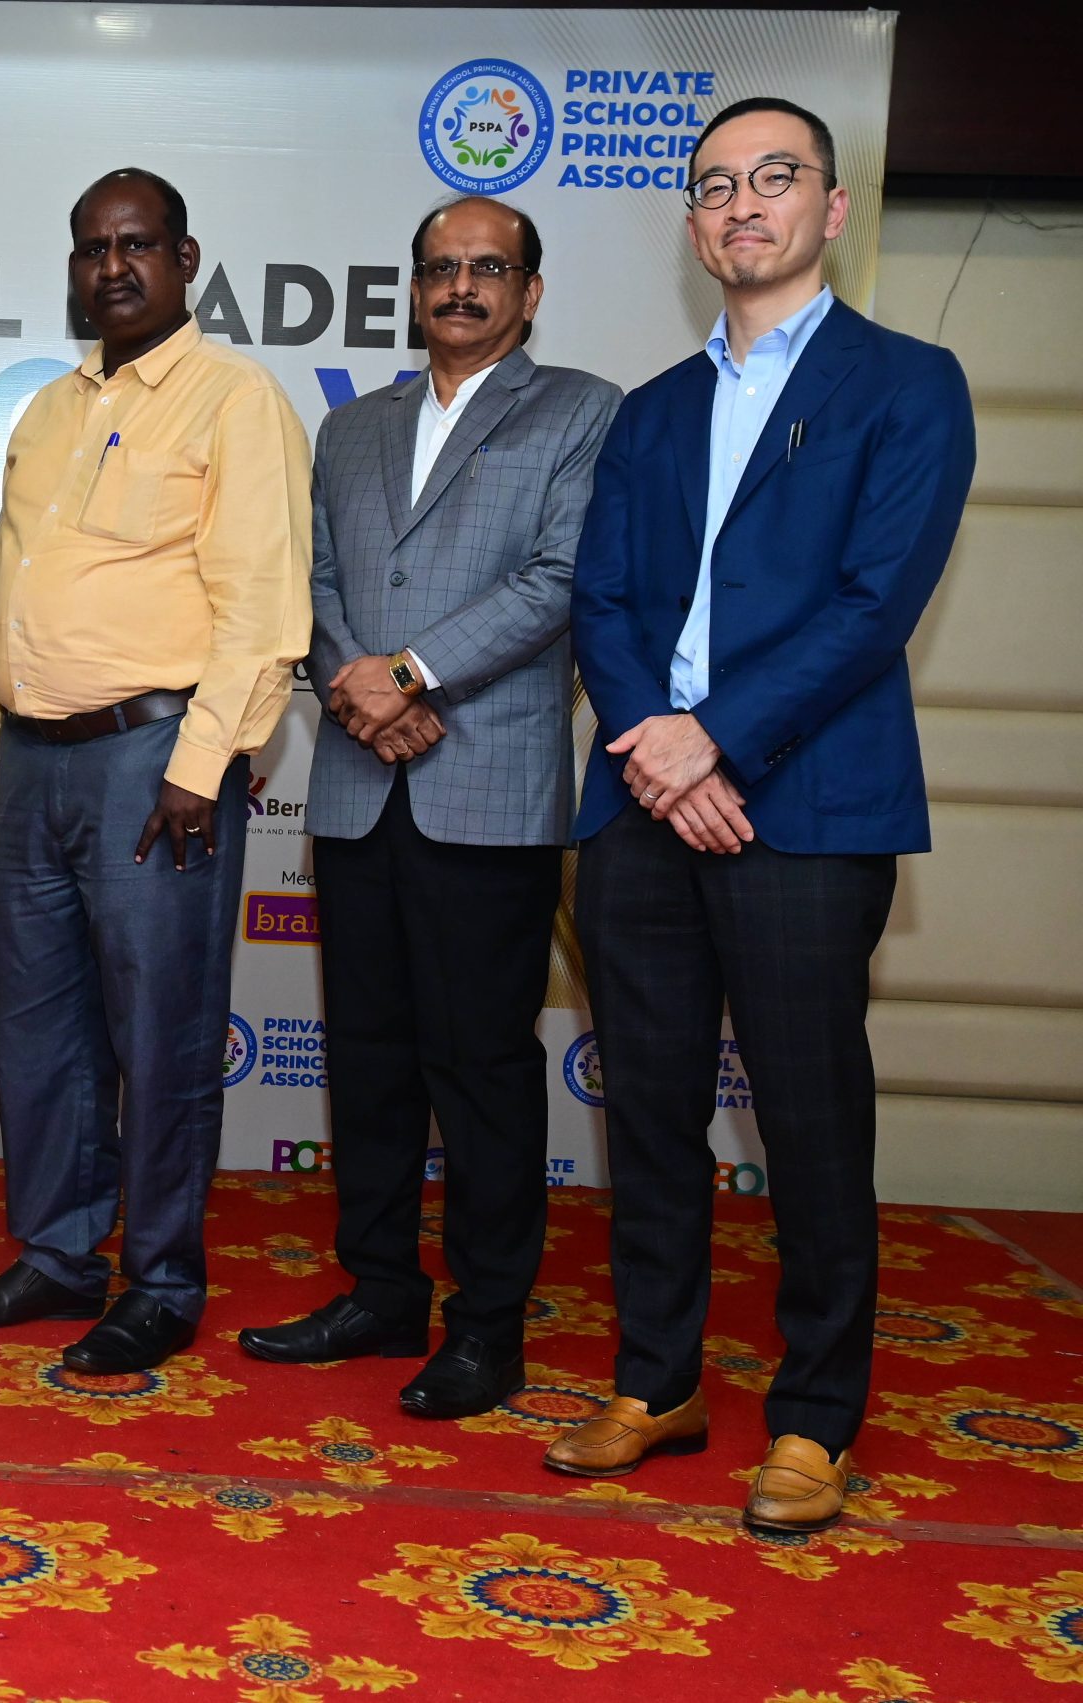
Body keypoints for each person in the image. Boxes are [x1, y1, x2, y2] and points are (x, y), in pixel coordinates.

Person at [545, 99, 976, 1532]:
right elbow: (602, 599)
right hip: (639, 807)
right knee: (650, 1109)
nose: (744, 203)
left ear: (830, 209)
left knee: (809, 1116)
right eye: (717, 185)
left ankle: (814, 1418)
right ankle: (657, 1381)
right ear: (692, 225)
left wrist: (713, 738)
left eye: (774, 177)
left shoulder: (908, 383)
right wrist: (659, 752)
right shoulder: (652, 408)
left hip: (809, 804)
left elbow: (875, 603)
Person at [0, 169, 312, 1374]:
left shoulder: (234, 398)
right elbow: (5, 587)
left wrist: (202, 764)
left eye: (136, 244)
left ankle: (161, 1279)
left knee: (163, 1032)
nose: (112, 266)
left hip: (157, 759)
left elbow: (262, 607)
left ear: (184, 259)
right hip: (32, 759)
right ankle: (55, 1254)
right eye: (92, 247)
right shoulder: (49, 409)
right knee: (37, 1031)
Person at [236, 198, 619, 1420]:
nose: (462, 286)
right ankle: (380, 1289)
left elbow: (558, 579)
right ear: (413, 288)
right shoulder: (352, 427)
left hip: (485, 788)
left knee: (483, 1065)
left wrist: (406, 674)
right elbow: (313, 582)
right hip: (359, 784)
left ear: (529, 290)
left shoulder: (580, 411)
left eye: (488, 268)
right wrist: (359, 691)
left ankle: (489, 1323)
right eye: (441, 267)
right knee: (368, 1058)